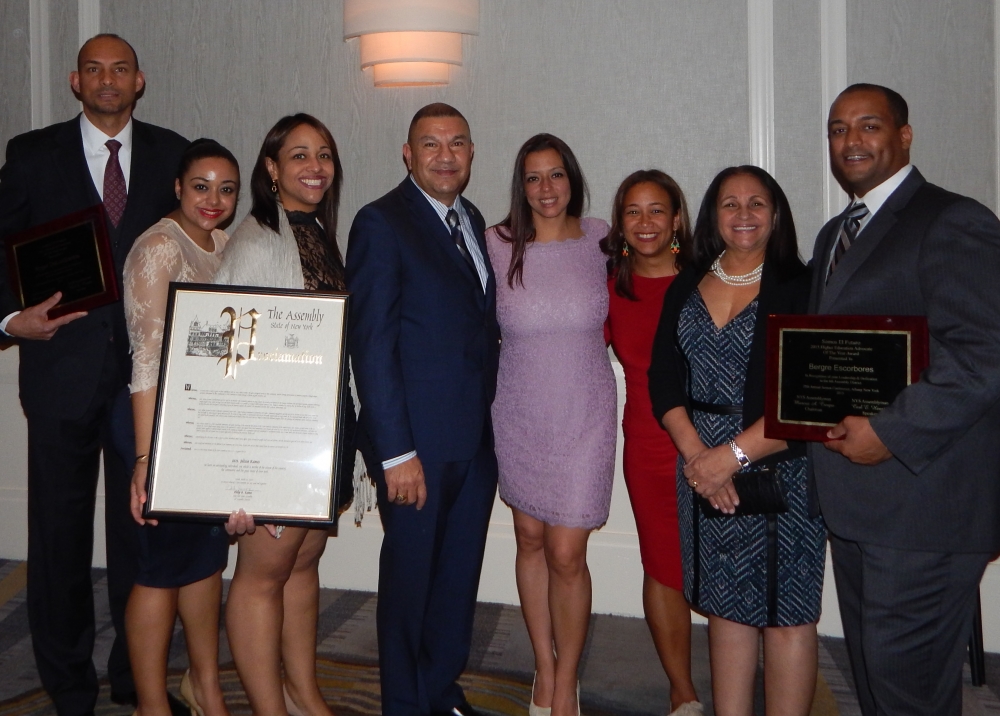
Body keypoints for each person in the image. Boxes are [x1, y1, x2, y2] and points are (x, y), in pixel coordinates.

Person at [0, 34, 188, 714]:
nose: (107, 81)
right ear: (74, 81)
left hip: (144, 385)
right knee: (59, 540)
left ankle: (137, 674)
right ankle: (69, 685)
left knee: (143, 534)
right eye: (93, 70)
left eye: (119, 70)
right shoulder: (30, 155)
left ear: (140, 80)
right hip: (60, 376)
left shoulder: (175, 154)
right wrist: (8, 319)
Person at [811, 83, 1000, 716]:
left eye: (869, 126)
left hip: (926, 508)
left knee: (906, 689)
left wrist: (890, 433)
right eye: (839, 130)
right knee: (878, 681)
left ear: (905, 136)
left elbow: (981, 357)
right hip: (860, 506)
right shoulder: (835, 233)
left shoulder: (954, 220)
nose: (852, 141)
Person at [648, 166, 826, 716]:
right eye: (730, 203)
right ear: (712, 215)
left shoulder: (802, 287)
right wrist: (700, 458)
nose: (743, 214)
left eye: (757, 203)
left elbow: (806, 394)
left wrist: (733, 456)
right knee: (725, 610)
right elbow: (663, 378)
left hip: (779, 469)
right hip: (700, 466)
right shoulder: (687, 281)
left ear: (776, 215)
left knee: (788, 616)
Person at [345, 103, 499, 716]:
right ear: (407, 154)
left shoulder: (473, 218)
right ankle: (404, 705)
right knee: (409, 585)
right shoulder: (380, 222)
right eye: (430, 144)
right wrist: (395, 451)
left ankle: (441, 691)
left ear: (470, 152)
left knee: (457, 581)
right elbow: (371, 345)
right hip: (415, 449)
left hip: (473, 442)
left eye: (457, 143)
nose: (445, 155)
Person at [212, 113, 356, 716]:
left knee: (302, 562)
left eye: (323, 154)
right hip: (279, 435)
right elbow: (228, 359)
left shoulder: (315, 232)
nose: (315, 166)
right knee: (263, 575)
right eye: (298, 155)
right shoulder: (257, 241)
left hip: (323, 425)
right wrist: (248, 470)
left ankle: (303, 694)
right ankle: (270, 707)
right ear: (270, 169)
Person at [485, 133, 614, 716]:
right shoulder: (495, 243)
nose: (546, 189)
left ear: (572, 178)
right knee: (530, 539)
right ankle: (544, 664)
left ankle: (568, 677)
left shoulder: (602, 239)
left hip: (585, 411)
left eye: (556, 175)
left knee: (567, 551)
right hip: (519, 408)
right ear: (521, 185)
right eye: (534, 178)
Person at [123, 139, 240, 716]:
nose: (214, 200)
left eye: (226, 189)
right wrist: (146, 462)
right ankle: (151, 704)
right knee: (158, 571)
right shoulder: (159, 248)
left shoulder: (219, 243)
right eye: (201, 186)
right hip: (158, 432)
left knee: (204, 561)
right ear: (178, 187)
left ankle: (205, 687)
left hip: (202, 427)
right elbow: (145, 360)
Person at [601, 170, 701, 716]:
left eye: (657, 210)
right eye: (633, 212)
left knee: (726, 558)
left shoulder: (708, 279)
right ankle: (681, 690)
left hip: (720, 443)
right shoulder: (609, 287)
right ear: (619, 223)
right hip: (648, 444)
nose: (645, 223)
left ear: (677, 219)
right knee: (663, 564)